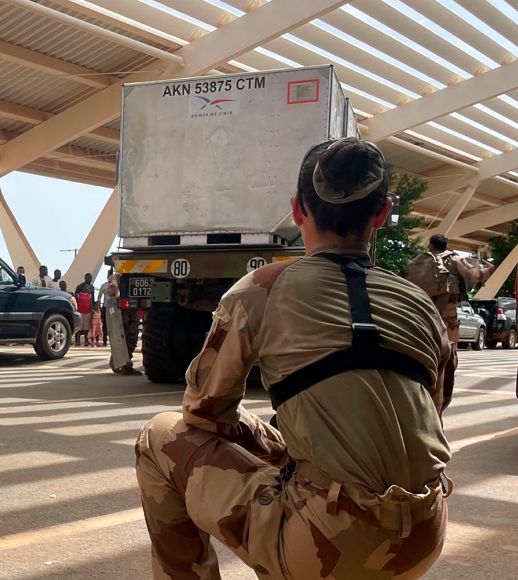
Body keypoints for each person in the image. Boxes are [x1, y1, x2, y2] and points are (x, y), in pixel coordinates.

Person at [134, 138, 452, 579]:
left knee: (159, 437)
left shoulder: (262, 288)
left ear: (298, 209)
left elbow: (204, 412)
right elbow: (429, 416)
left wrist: (265, 442)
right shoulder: (420, 304)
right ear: (382, 213)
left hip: (325, 542)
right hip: (423, 533)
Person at [408, 234, 494, 411]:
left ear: (431, 246)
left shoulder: (418, 260)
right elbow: (473, 276)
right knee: (448, 358)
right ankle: (441, 400)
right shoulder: (454, 259)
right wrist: (489, 270)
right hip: (447, 317)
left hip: (422, 315)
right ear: (446, 246)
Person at [105, 274, 139, 375]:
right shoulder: (119, 276)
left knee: (132, 337)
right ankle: (117, 361)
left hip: (133, 308)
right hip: (123, 310)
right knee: (122, 335)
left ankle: (126, 364)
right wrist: (116, 290)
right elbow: (112, 283)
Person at [75, 273, 96, 346]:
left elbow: (92, 299)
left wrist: (92, 309)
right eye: (88, 278)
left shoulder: (92, 287)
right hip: (80, 311)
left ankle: (86, 341)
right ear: (85, 278)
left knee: (86, 327)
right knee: (79, 327)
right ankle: (77, 340)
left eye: (90, 278)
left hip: (88, 310)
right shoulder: (79, 286)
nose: (89, 279)